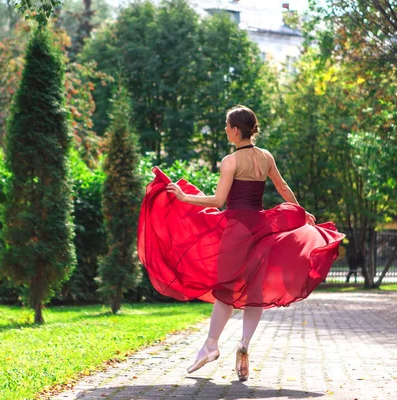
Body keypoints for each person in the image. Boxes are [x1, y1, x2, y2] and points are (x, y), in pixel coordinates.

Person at [137, 105, 344, 382]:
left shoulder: (230, 161)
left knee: (226, 290)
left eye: (226, 126)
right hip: (258, 229)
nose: (225, 130)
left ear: (236, 130)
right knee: (253, 290)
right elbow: (282, 187)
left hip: (235, 231)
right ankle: (244, 343)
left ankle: (211, 345)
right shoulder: (266, 157)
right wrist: (299, 210)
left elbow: (217, 201)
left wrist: (184, 198)